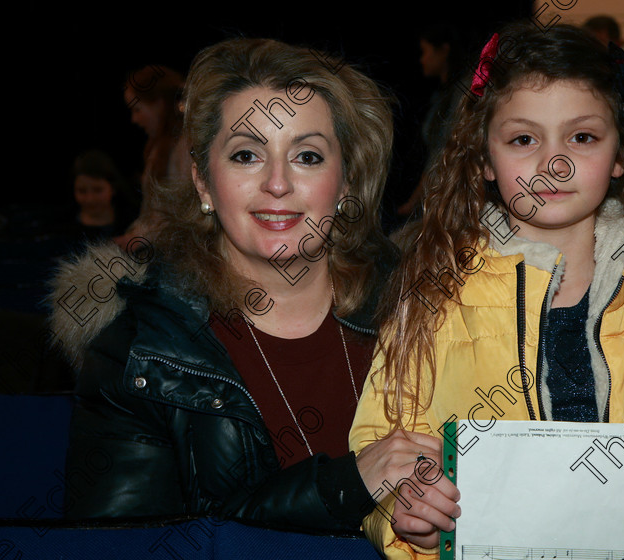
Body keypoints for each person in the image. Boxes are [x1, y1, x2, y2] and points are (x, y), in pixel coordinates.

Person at [349, 22, 624, 559]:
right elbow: (386, 439)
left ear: (620, 154)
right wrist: (407, 508)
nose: (553, 164)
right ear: (484, 160)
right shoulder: (434, 293)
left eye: (582, 137)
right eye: (523, 139)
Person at [48, 38, 439, 533]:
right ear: (204, 182)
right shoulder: (139, 354)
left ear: (346, 184)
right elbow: (125, 547)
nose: (277, 183)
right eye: (247, 155)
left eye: (309, 157)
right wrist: (344, 486)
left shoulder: (428, 314)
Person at [397, 23, 465, 218]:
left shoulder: (461, 94)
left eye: (425, 52)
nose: (422, 59)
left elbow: (444, 151)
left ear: (444, 51)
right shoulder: (441, 95)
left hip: (450, 200)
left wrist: (413, 203)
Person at [120, 64, 188, 242]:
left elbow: (184, 217)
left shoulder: (185, 148)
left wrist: (139, 240)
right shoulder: (159, 146)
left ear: (159, 104)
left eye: (137, 109)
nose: (134, 119)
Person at [69, 150, 135, 241]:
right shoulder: (61, 228)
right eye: (82, 191)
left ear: (113, 188)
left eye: (98, 190)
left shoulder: (133, 224)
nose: (90, 199)